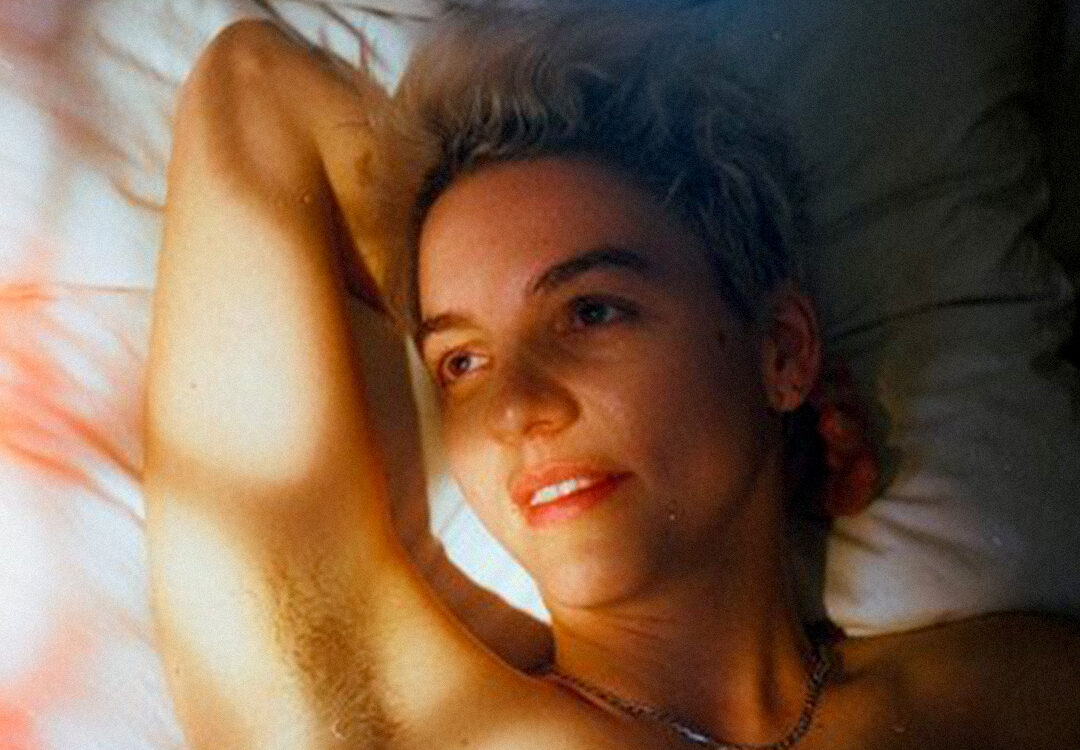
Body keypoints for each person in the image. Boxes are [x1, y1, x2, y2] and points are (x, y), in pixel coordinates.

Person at [143, 3, 1080, 748]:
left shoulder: (1015, 696)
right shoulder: (391, 724)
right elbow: (250, 88)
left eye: (590, 311)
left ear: (785, 349)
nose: (515, 408)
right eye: (461, 363)